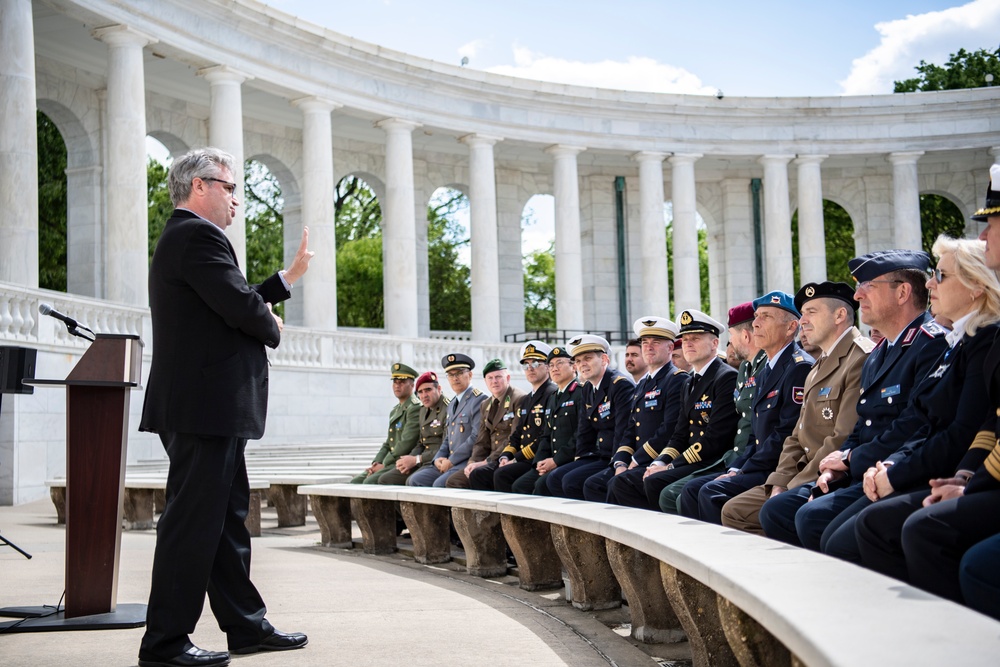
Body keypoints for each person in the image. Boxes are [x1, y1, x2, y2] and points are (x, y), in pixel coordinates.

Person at [138, 147, 311, 667]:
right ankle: (166, 643)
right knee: (193, 524)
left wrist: (283, 282)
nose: (236, 198)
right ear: (199, 186)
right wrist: (271, 322)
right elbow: (240, 306)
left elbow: (227, 302)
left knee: (225, 520)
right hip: (203, 408)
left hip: (205, 407)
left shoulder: (189, 239)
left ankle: (245, 626)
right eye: (230, 187)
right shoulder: (197, 235)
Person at [758, 249, 948, 549]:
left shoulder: (931, 345)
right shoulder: (880, 355)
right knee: (778, 512)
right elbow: (862, 423)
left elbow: (914, 425)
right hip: (861, 467)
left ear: (902, 292)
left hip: (897, 470)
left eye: (868, 286)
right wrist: (836, 466)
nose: (858, 296)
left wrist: (848, 459)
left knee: (815, 522)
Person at [853, 231, 1000, 587]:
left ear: (976, 287)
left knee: (902, 530)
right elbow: (929, 423)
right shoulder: (960, 343)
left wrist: (965, 480)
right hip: (950, 469)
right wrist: (890, 464)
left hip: (955, 472)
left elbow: (965, 428)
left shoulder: (978, 341)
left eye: (942, 275)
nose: (931, 283)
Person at [721, 282, 871, 534]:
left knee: (770, 510)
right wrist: (781, 481)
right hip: (800, 470)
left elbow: (841, 438)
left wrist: (793, 482)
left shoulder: (860, 357)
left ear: (840, 315)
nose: (803, 321)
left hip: (828, 473)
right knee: (733, 510)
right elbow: (795, 437)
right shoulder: (818, 365)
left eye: (812, 312)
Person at [678, 292, 814, 524]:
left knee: (709, 492)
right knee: (695, 490)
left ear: (791, 327)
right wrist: (738, 467)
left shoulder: (798, 367)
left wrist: (745, 468)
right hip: (758, 461)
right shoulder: (766, 370)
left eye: (766, 317)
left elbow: (785, 433)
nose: (756, 323)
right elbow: (754, 434)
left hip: (778, 465)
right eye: (757, 316)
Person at [607, 309, 740, 511]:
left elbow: (715, 438)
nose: (687, 344)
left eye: (695, 339)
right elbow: (679, 434)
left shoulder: (725, 377)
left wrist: (671, 465)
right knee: (633, 479)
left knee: (649, 482)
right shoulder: (691, 383)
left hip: (713, 460)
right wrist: (660, 461)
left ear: (714, 344)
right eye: (685, 339)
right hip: (692, 457)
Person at [586, 316, 686, 502]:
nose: (648, 347)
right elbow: (631, 428)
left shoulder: (677, 379)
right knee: (597, 483)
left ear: (670, 348)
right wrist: (621, 461)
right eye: (645, 343)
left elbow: (669, 429)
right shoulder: (643, 384)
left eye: (656, 343)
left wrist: (637, 459)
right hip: (638, 459)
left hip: (659, 458)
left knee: (618, 484)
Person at [544, 335, 634, 499]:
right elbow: (584, 431)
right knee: (555, 478)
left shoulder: (619, 384)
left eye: (588, 358)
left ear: (604, 359)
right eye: (578, 361)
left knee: (577, 482)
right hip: (597, 455)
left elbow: (624, 429)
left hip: (615, 455)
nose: (582, 364)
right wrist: (579, 459)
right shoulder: (587, 388)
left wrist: (618, 461)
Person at [476, 342, 556, 491]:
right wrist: (506, 456)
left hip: (538, 457)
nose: (530, 368)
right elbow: (517, 434)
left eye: (536, 363)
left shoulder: (552, 394)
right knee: (481, 474)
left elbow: (545, 435)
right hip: (523, 457)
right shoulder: (528, 398)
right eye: (526, 365)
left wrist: (516, 458)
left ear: (547, 366)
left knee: (503, 475)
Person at [510, 345, 585, 495]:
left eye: (559, 363)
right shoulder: (553, 397)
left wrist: (556, 460)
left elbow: (580, 434)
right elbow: (546, 434)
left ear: (573, 367)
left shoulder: (581, 392)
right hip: (550, 460)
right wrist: (539, 463)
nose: (554, 368)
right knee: (519, 486)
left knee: (541, 486)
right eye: (551, 365)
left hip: (569, 460)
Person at [407, 353, 487, 487]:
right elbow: (447, 438)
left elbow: (475, 437)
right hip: (448, 459)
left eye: (459, 373)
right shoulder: (452, 403)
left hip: (466, 460)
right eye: (450, 375)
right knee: (415, 480)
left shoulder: (479, 400)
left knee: (439, 484)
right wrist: (438, 458)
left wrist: (452, 461)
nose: (455, 378)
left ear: (470, 375)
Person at [446, 359, 526, 489]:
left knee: (479, 474)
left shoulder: (518, 398)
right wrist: (472, 462)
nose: (494, 381)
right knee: (454, 481)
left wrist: (485, 462)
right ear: (485, 381)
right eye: (490, 378)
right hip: (488, 459)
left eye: (498, 377)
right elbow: (481, 441)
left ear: (508, 378)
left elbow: (513, 438)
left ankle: (484, 510)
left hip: (506, 457)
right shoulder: (486, 404)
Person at [350, 363, 421, 484]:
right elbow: (388, 443)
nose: (397, 386)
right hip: (390, 461)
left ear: (412, 385)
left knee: (369, 483)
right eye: (395, 382)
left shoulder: (415, 408)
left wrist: (384, 463)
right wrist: (376, 462)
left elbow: (406, 443)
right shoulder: (395, 410)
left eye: (402, 382)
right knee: (355, 482)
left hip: (401, 462)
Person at [385, 371, 450, 485]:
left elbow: (446, 446)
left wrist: (416, 460)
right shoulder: (423, 410)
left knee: (413, 481)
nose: (424, 395)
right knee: (386, 479)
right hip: (423, 459)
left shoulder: (448, 408)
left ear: (438, 389)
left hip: (437, 460)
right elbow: (421, 442)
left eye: (428, 390)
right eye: (420, 392)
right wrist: (408, 460)